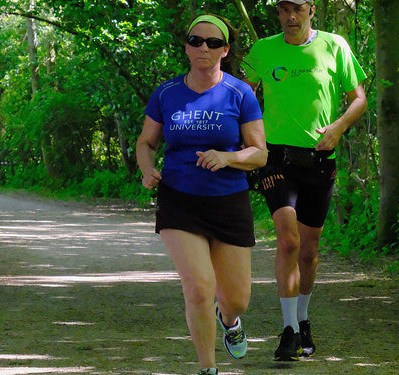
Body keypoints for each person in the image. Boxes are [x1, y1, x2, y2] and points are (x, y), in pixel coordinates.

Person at [136, 14, 267, 375]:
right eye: (195, 41)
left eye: (212, 42)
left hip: (229, 201)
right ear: (186, 47)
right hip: (180, 198)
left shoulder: (239, 93)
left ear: (225, 49)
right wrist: (148, 169)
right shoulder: (167, 93)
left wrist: (226, 157)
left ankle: (230, 320)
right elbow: (146, 142)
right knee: (198, 285)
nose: (203, 48)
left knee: (237, 298)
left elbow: (259, 153)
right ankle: (207, 368)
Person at [241, 0, 368, 362]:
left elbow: (358, 98)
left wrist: (339, 127)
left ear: (311, 9)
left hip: (319, 159)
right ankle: (288, 331)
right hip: (275, 158)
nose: (289, 16)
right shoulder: (263, 49)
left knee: (309, 251)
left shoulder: (335, 45)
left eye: (296, 8)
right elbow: (240, 93)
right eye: (283, 9)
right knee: (287, 240)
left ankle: (303, 318)